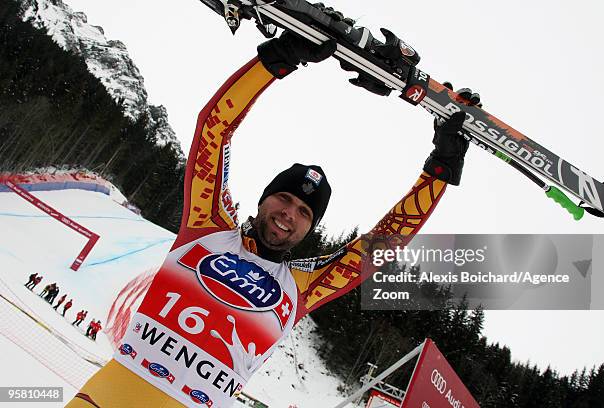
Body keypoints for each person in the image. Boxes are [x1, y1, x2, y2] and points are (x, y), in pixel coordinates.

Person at [68, 8, 474, 408]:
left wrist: (440, 169)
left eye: (304, 212)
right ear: (264, 200)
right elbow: (213, 129)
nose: (289, 214)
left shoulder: (302, 287)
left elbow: (383, 244)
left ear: (310, 228)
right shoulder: (207, 228)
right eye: (284, 198)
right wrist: (278, 59)